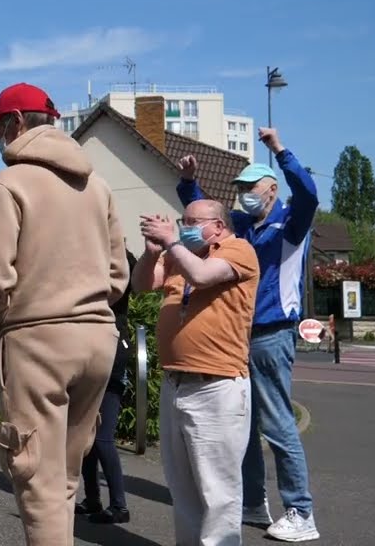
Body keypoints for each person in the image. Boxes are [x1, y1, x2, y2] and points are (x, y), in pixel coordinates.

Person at [0, 82, 128, 546]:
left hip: (36, 338)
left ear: (17, 123)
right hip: (98, 338)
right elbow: (119, 273)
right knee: (65, 475)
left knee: (34, 474)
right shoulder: (97, 185)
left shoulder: (9, 182)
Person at [177, 127, 321, 542]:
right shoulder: (241, 225)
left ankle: (300, 510)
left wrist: (279, 149)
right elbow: (207, 219)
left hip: (272, 335)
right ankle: (254, 503)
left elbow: (308, 193)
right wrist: (189, 182)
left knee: (277, 424)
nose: (242, 194)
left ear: (272, 189)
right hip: (241, 336)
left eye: (250, 187)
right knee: (247, 425)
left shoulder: (290, 224)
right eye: (239, 188)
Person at [134, 202, 260, 546]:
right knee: (183, 487)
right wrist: (151, 254)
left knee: (218, 490)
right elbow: (142, 285)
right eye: (182, 221)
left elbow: (203, 276)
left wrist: (172, 242)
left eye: (192, 222)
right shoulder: (181, 254)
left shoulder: (238, 249)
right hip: (175, 382)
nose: (184, 227)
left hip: (216, 385)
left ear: (218, 226)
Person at [77, 246, 139, 525]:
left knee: (102, 438)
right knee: (84, 439)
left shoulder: (120, 259)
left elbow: (125, 284)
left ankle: (119, 506)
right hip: (88, 351)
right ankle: (92, 499)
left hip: (113, 353)